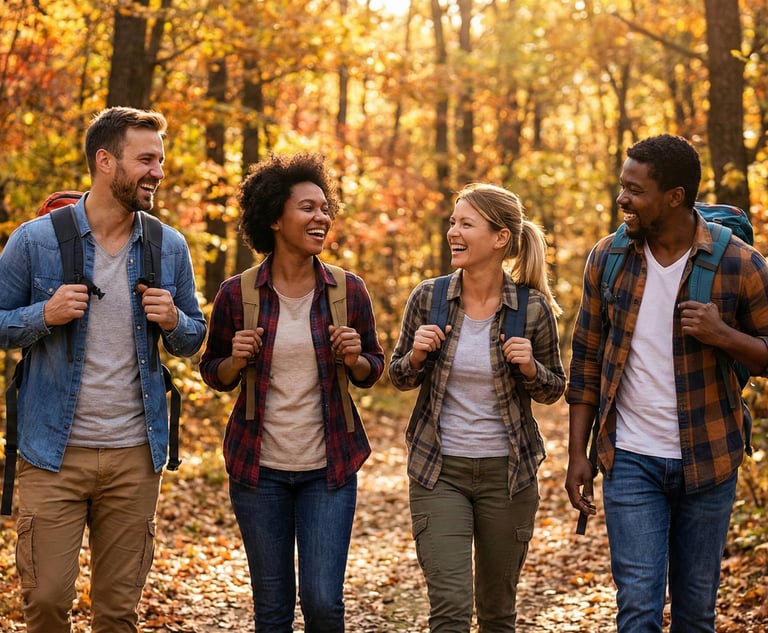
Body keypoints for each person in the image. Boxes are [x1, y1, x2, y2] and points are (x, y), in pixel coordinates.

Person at [0, 106, 207, 632]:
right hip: (51, 454)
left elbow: (194, 338)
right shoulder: (36, 240)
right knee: (45, 603)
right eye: (146, 159)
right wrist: (42, 316)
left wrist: (175, 320)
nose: (158, 171)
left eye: (160, 159)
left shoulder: (168, 245)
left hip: (135, 457)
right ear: (105, 161)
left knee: (117, 615)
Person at [565, 134, 768, 632]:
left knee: (696, 614)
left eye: (634, 190)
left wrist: (724, 336)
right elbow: (586, 359)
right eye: (621, 186)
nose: (622, 200)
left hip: (710, 458)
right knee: (637, 608)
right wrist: (577, 453)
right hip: (630, 457)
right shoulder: (608, 258)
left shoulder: (738, 262)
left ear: (675, 196)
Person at [198, 152, 384, 633]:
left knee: (323, 603)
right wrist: (235, 360)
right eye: (307, 207)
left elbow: (372, 370)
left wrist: (355, 356)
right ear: (276, 218)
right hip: (259, 473)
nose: (321, 216)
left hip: (329, 469)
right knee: (273, 609)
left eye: (325, 207)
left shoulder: (348, 290)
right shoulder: (238, 294)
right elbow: (212, 370)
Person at [389, 183, 566, 632]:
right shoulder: (428, 298)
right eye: (453, 222)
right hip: (439, 471)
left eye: (466, 223)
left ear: (500, 237)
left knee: (496, 614)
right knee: (449, 608)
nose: (453, 231)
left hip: (508, 476)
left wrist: (530, 370)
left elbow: (553, 390)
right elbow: (398, 376)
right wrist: (414, 356)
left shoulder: (532, 309)